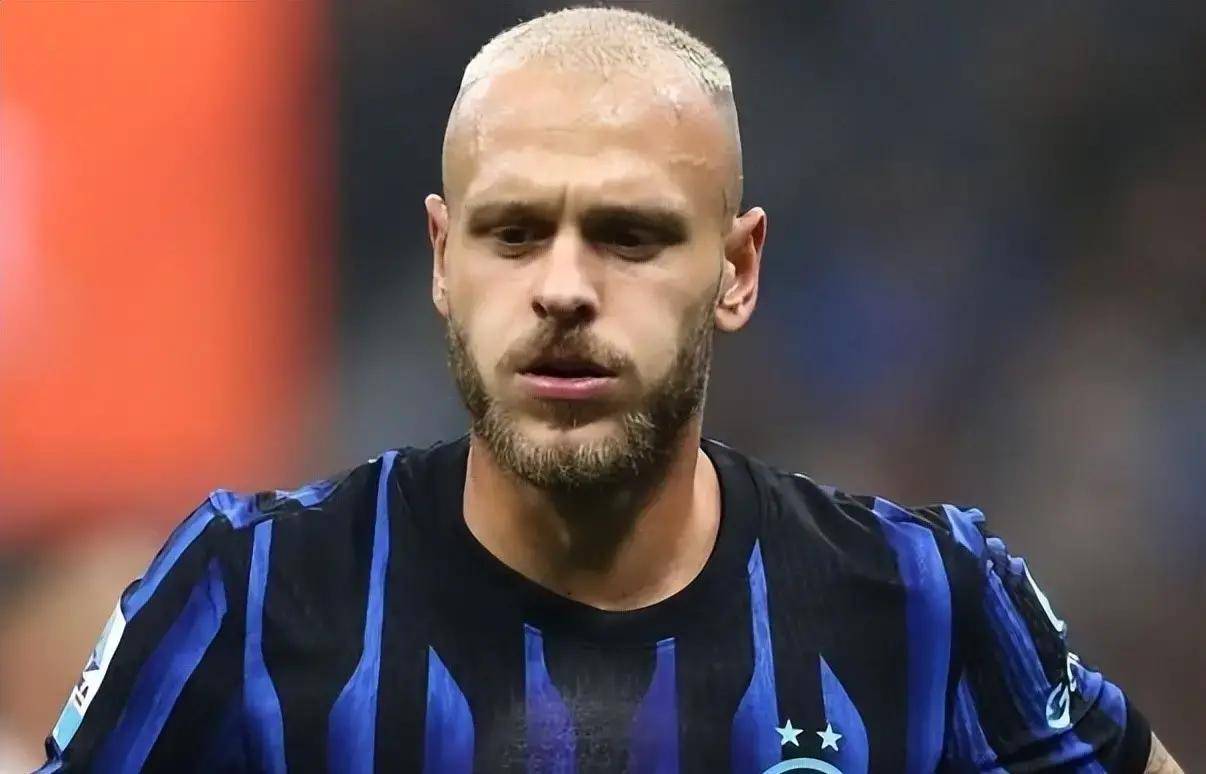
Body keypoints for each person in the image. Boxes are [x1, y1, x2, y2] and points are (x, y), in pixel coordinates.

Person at [39, 7, 1181, 773]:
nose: (564, 289)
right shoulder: (246, 601)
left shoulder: (927, 603)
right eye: (513, 232)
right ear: (442, 260)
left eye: (631, 236)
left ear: (737, 270)